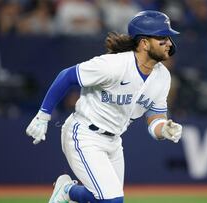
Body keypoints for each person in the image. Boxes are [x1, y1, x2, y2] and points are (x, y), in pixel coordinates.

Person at [25, 10, 183, 203]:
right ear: (144, 43)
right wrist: (43, 115)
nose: (169, 43)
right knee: (112, 200)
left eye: (168, 38)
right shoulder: (114, 65)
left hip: (114, 142)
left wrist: (163, 129)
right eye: (162, 37)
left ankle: (68, 192)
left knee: (101, 198)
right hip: (84, 134)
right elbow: (66, 76)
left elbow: (154, 118)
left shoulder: (162, 77)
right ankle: (67, 191)